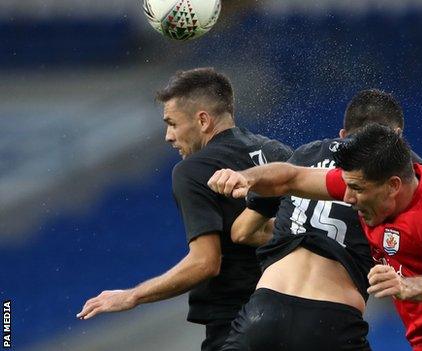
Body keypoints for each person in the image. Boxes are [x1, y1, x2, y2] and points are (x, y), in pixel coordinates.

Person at [208, 123, 422, 351]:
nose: (348, 198)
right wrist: (246, 177)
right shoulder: (368, 181)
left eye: (357, 190)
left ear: (393, 185)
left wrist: (406, 284)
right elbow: (292, 177)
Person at [76, 67, 292, 351]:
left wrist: (133, 295)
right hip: (293, 316)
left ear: (203, 120)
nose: (168, 136)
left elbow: (205, 262)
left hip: (238, 324)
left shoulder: (192, 170)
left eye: (172, 123)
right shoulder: (280, 153)